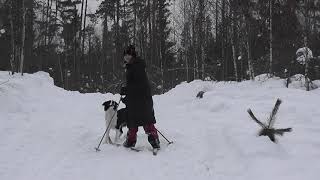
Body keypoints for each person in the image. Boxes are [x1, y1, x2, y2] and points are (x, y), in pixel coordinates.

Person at [120, 45, 160, 149]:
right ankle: (133, 140)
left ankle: (151, 139)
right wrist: (126, 90)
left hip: (141, 98)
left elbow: (139, 84)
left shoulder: (135, 66)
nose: (126, 57)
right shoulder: (133, 65)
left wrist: (127, 89)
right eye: (125, 56)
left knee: (141, 120)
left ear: (132, 55)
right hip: (139, 99)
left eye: (128, 55)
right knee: (138, 120)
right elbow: (134, 83)